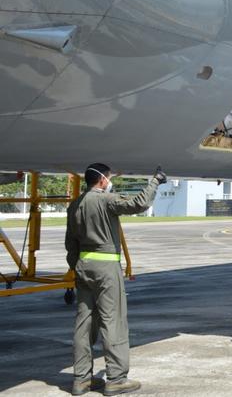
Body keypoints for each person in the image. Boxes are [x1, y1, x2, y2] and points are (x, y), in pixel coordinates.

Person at [65, 163, 165, 396]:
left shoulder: (75, 205)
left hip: (83, 267)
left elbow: (70, 243)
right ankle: (116, 378)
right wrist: (155, 181)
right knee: (113, 321)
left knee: (84, 323)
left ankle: (81, 380)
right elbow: (138, 203)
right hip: (106, 267)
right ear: (102, 180)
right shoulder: (105, 200)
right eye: (108, 178)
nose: (109, 182)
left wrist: (77, 266)